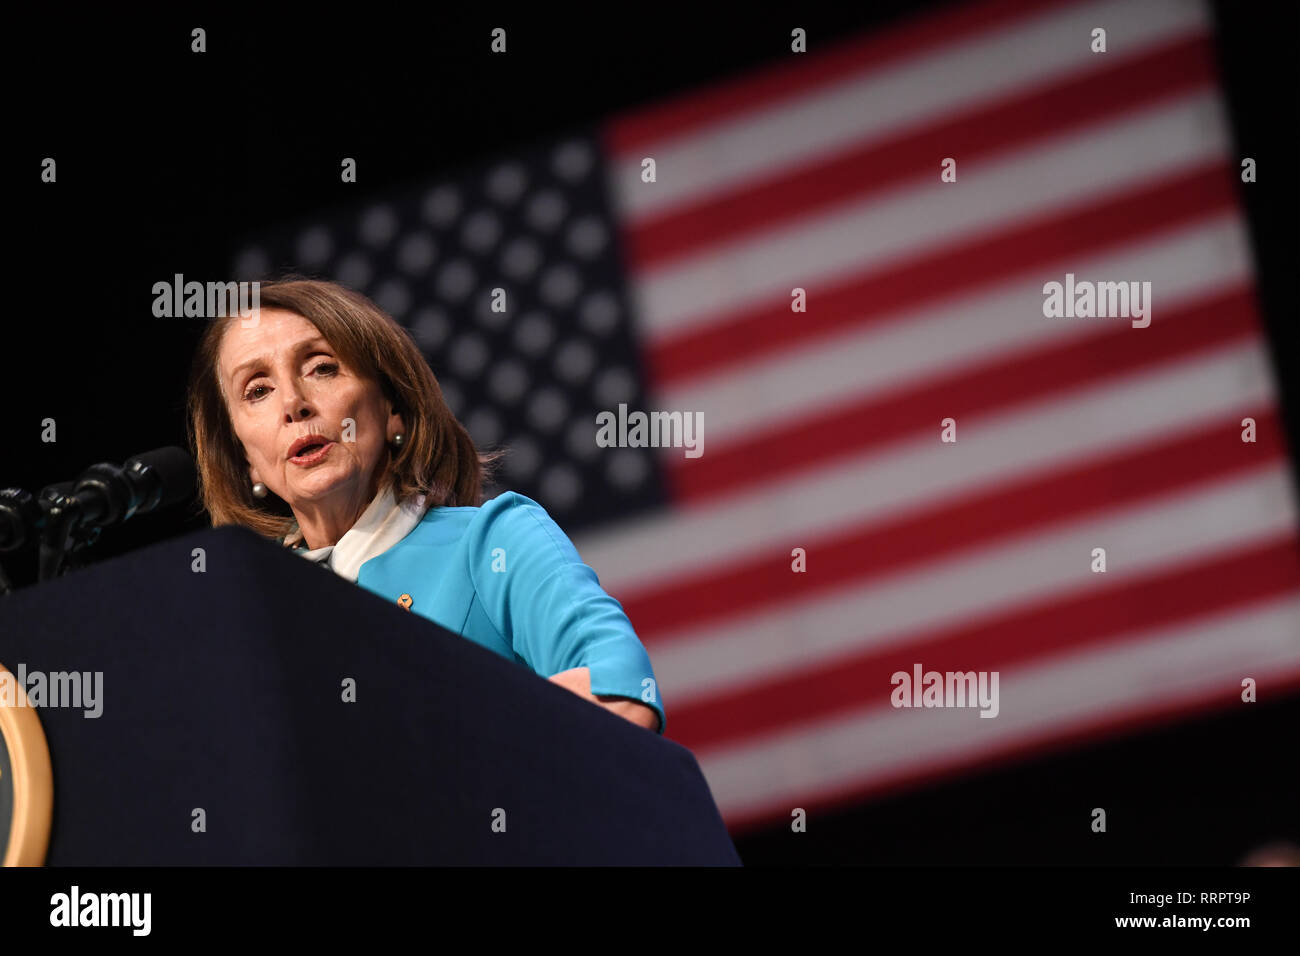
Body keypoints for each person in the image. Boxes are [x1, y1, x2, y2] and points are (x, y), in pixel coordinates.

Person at [185, 276, 664, 734]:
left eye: (322, 367)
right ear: (244, 458)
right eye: (258, 390)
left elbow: (622, 696)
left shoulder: (492, 541)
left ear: (391, 406)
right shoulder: (250, 619)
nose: (293, 402)